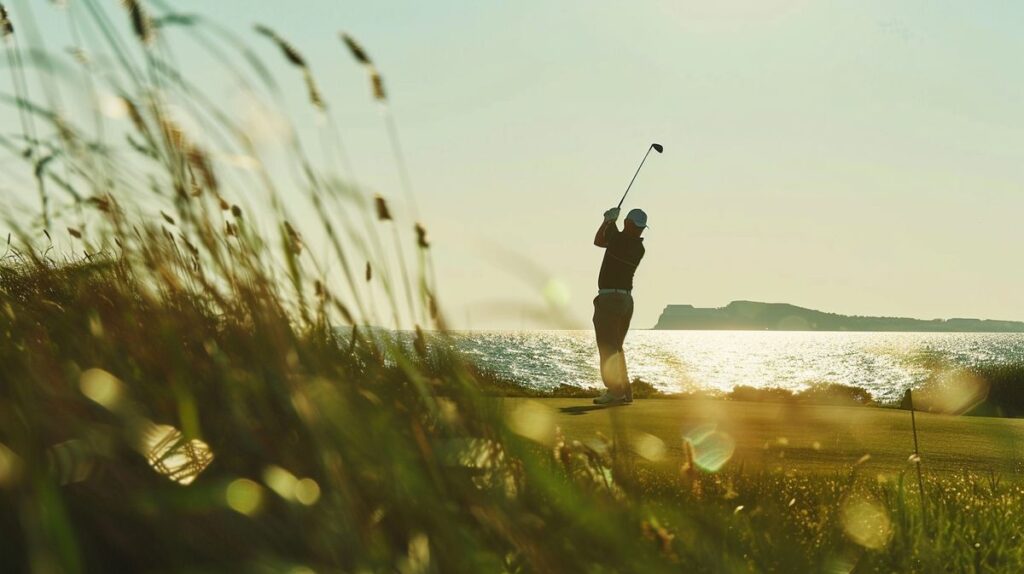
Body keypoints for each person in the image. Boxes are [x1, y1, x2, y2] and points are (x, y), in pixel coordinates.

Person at [591, 206, 647, 405]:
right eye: (639, 227)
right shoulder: (638, 247)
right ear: (631, 224)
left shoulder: (621, 241)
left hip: (611, 299)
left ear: (627, 223)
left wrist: (607, 220)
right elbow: (608, 239)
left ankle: (615, 392)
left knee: (608, 347)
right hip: (625, 301)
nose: (639, 231)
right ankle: (625, 392)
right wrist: (610, 222)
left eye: (641, 228)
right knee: (617, 347)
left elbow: (598, 240)